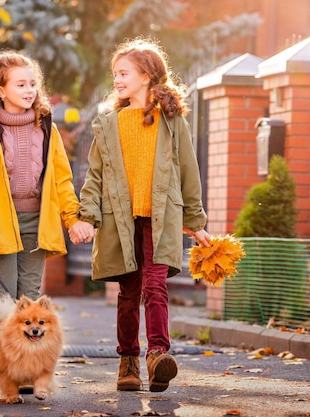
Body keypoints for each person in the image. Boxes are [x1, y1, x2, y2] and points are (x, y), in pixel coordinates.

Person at [74, 37, 211, 393]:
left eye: (124, 73)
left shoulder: (172, 121)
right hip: (120, 219)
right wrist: (87, 216)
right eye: (115, 74)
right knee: (128, 292)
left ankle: (158, 355)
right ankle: (128, 360)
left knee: (155, 285)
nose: (117, 80)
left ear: (147, 76)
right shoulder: (109, 125)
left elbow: (188, 171)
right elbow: (95, 177)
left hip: (161, 218)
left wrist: (195, 224)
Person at [0, 50, 94, 301]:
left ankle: (24, 342)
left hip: (37, 222)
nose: (29, 90)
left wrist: (73, 219)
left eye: (32, 84)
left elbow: (61, 181)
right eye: (20, 85)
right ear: (0, 90)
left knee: (30, 296)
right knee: (4, 293)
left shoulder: (47, 129)